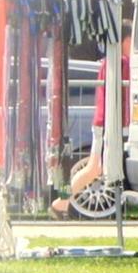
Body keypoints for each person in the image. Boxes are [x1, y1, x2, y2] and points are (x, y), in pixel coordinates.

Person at [49, 19, 131, 219]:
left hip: (104, 122)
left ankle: (61, 202)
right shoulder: (121, 62)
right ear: (124, 40)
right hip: (111, 123)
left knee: (94, 168)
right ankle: (61, 202)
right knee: (98, 168)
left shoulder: (109, 62)